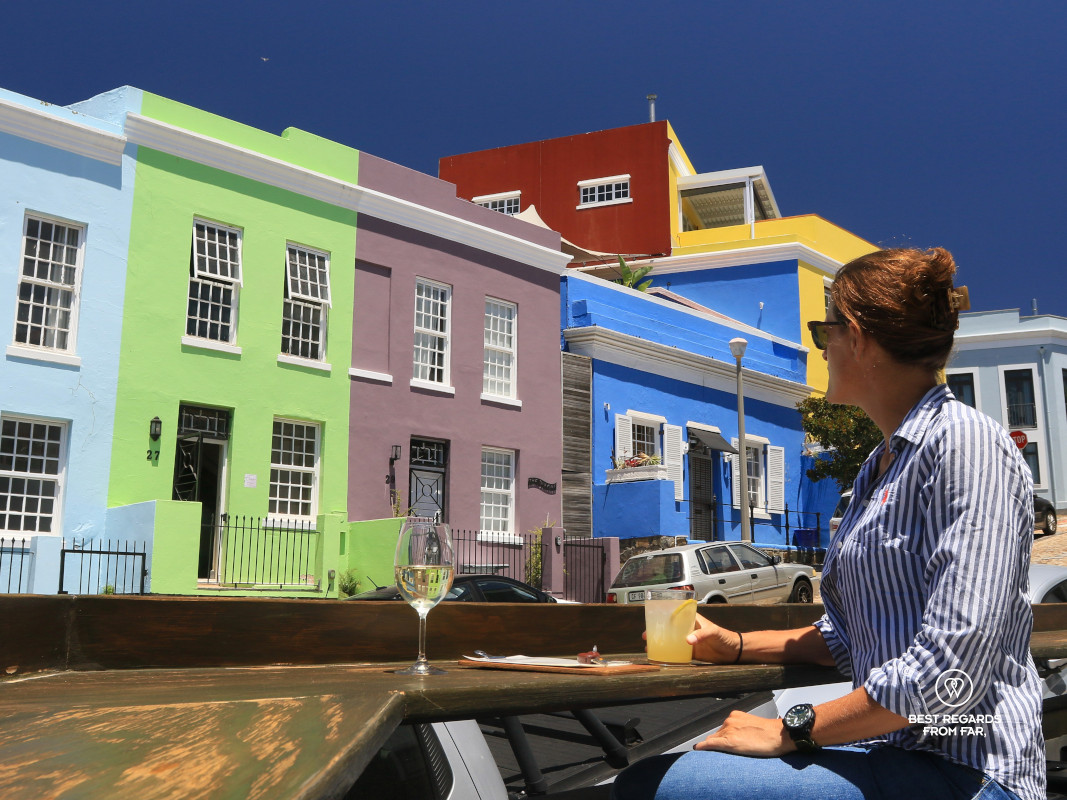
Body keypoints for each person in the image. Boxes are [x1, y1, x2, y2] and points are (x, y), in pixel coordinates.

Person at [611, 247, 1045, 800]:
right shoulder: (880, 465)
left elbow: (948, 666)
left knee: (654, 787)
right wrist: (737, 643)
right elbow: (850, 637)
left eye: (825, 331)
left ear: (858, 337)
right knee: (657, 776)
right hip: (892, 752)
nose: (823, 348)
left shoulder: (966, 444)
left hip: (968, 771)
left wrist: (791, 729)